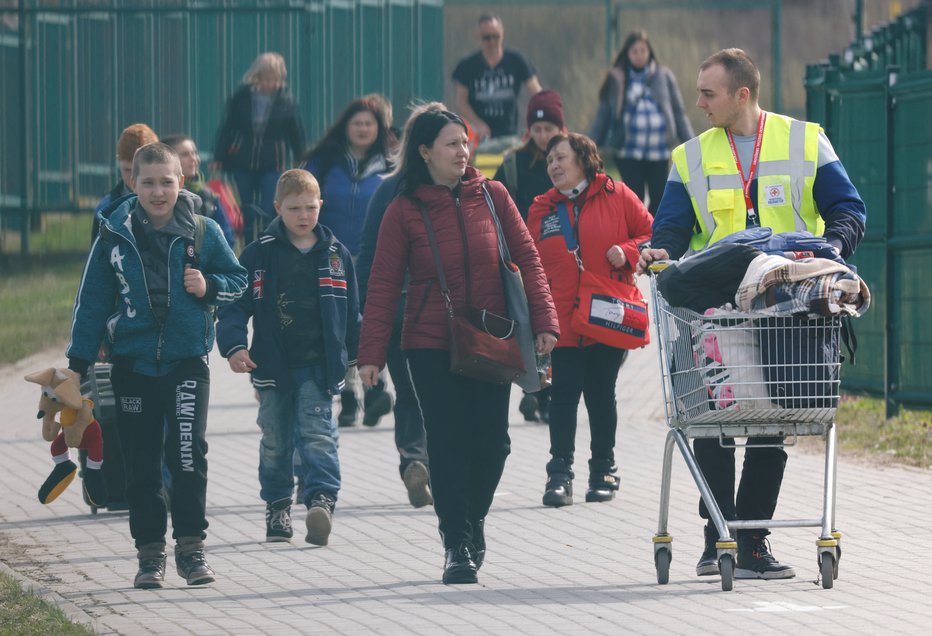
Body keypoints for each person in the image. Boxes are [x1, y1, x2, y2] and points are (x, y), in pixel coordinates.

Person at [638, 48, 866, 580]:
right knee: (709, 423)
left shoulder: (806, 140)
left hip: (784, 309)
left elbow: (848, 209)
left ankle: (751, 541)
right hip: (712, 316)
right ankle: (718, 534)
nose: (698, 103)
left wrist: (829, 248)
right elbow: (669, 231)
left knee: (775, 421)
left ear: (742, 94)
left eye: (708, 93)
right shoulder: (690, 157)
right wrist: (658, 253)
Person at [357, 109, 559, 584]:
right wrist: (369, 355)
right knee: (446, 444)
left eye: (465, 143)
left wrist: (545, 319)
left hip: (492, 337)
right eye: (451, 144)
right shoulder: (403, 208)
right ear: (425, 152)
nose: (462, 152)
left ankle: (472, 518)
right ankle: (457, 544)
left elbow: (527, 256)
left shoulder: (492, 195)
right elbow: (383, 284)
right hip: (428, 343)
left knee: (494, 444)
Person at [67, 143, 248, 589]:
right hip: (132, 366)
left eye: (166, 181)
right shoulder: (114, 234)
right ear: (133, 183)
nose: (157, 191)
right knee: (142, 465)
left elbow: (240, 281)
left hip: (187, 364)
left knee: (188, 457)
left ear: (180, 182)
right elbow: (91, 303)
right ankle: (150, 555)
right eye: (147, 182)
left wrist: (208, 287)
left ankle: (191, 549)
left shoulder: (203, 232)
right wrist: (77, 365)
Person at [216, 169, 360, 547]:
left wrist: (360, 358)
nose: (303, 215)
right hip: (272, 367)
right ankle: (278, 505)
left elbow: (352, 313)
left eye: (310, 208)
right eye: (294, 208)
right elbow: (233, 304)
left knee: (317, 435)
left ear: (320, 206)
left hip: (319, 366)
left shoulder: (335, 254)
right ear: (278, 207)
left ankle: (321, 501)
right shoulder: (259, 253)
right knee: (276, 440)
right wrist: (234, 346)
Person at [527, 133, 652, 508]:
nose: (554, 165)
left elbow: (651, 233)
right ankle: (559, 474)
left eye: (561, 157)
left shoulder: (618, 195)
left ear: (584, 159)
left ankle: (603, 470)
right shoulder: (541, 209)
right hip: (562, 319)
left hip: (607, 318)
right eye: (549, 160)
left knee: (600, 395)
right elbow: (527, 259)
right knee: (562, 397)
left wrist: (629, 252)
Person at [355, 102, 452, 509]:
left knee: (411, 391)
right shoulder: (451, 187)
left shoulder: (386, 188)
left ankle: (415, 457)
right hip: (441, 311)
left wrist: (369, 313)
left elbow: (368, 254)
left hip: (398, 310)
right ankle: (437, 464)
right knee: (441, 392)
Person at [300, 96, 394, 428]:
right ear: (346, 126)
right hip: (331, 256)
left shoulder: (390, 164)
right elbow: (299, 196)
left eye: (369, 123)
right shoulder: (324, 163)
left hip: (376, 257)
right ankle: (350, 396)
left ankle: (374, 390)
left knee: (370, 323)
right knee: (339, 327)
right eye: (357, 123)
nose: (363, 129)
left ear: (379, 128)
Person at [494, 88, 567, 424]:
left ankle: (547, 392)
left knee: (555, 325)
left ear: (560, 129)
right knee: (530, 325)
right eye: (536, 130)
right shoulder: (514, 163)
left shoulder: (571, 159)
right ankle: (534, 390)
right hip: (523, 261)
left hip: (562, 257)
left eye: (548, 129)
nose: (542, 136)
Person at [589, 30, 693, 215]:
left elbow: (678, 112)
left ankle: (654, 234)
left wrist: (691, 143)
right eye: (634, 51)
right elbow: (604, 113)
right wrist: (590, 144)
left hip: (659, 151)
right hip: (627, 151)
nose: (639, 55)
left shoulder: (664, 75)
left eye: (642, 50)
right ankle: (637, 237)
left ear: (649, 52)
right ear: (627, 53)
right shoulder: (617, 77)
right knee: (633, 197)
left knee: (659, 197)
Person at [212, 52, 305, 243]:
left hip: (273, 162)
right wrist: (218, 157)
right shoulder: (241, 98)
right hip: (242, 160)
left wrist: (300, 157)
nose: (269, 84)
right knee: (246, 208)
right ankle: (247, 246)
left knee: (268, 207)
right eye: (265, 78)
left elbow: (296, 132)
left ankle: (267, 243)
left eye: (273, 79)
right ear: (257, 75)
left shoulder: (286, 101)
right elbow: (228, 128)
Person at [452, 14, 541, 153]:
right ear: (478, 36)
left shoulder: (516, 60)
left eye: (496, 36)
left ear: (502, 34)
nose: (492, 41)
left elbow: (537, 93)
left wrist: (537, 122)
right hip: (479, 137)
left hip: (510, 134)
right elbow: (461, 102)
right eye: (486, 37)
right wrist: (478, 123)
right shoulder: (467, 65)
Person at [162, 134, 236, 248]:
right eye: (185, 154)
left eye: (194, 153)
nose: (194, 159)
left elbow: (227, 239)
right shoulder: (159, 196)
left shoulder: (209, 197)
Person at [93, 123, 159, 241]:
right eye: (127, 170)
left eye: (139, 170)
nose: (133, 178)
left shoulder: (172, 202)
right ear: (119, 162)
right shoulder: (106, 208)